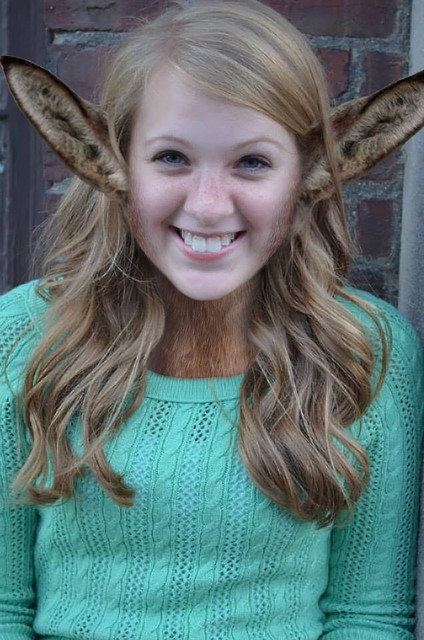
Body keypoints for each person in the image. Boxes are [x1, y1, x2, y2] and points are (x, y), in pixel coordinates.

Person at [0, 1, 423, 638]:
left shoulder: (368, 350)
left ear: (309, 174)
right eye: (172, 157)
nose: (206, 205)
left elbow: (367, 616)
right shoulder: (23, 335)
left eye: (252, 162)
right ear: (109, 162)